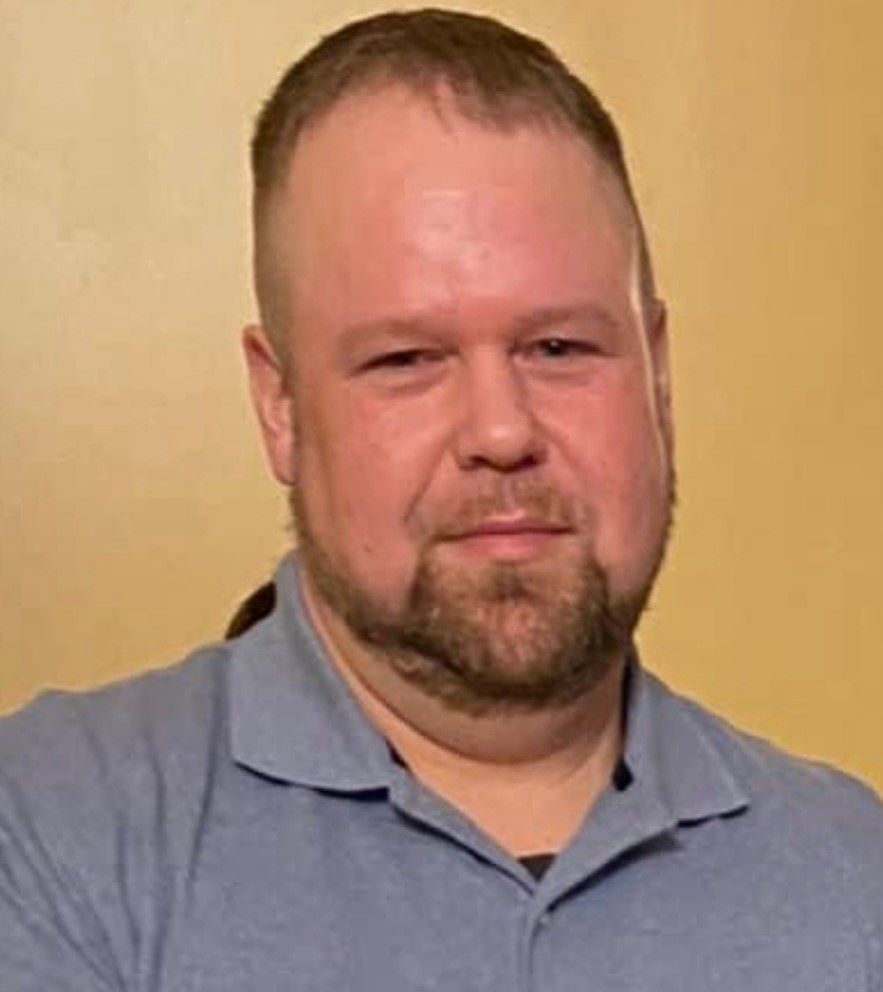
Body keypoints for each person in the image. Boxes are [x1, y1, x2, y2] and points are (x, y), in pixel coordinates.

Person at [1, 8, 880, 990]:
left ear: (656, 373)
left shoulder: (856, 877)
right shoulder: (46, 834)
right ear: (279, 404)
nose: (500, 431)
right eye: (406, 359)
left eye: (558, 347)